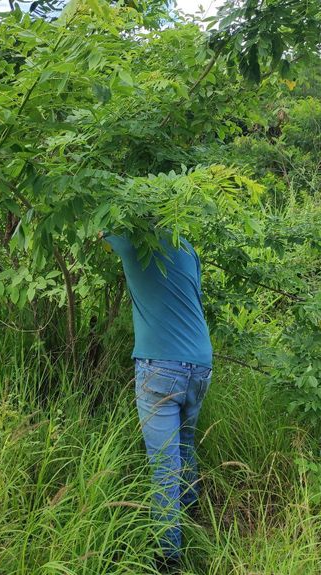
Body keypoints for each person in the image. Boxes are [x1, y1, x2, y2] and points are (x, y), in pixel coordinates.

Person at [100, 230, 213, 573]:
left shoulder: (129, 240)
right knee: (185, 442)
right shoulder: (187, 245)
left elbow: (96, 224)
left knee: (164, 466)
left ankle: (167, 558)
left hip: (159, 367)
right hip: (200, 363)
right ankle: (190, 509)